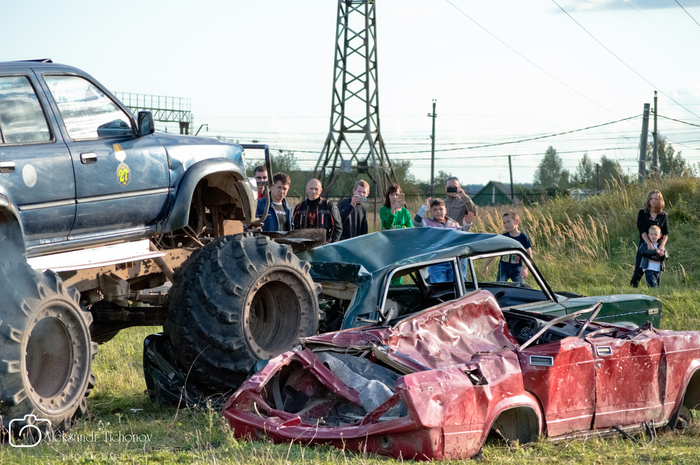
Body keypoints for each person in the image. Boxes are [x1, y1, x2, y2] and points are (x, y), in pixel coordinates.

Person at [417, 198, 469, 282]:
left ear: (445, 210)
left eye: (441, 209)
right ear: (430, 211)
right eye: (435, 210)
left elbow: (462, 234)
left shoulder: (453, 224)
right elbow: (416, 222)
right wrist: (424, 207)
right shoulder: (427, 222)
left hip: (452, 261)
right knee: (440, 285)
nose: (438, 212)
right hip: (436, 261)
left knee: (454, 284)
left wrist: (467, 224)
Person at [630, 190, 669, 288]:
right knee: (639, 269)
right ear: (648, 200)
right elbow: (642, 230)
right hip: (644, 244)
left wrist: (662, 246)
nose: (653, 201)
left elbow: (666, 232)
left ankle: (654, 291)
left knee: (656, 271)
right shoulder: (642, 213)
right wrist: (648, 244)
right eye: (651, 198)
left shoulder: (663, 215)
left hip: (658, 245)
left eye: (656, 199)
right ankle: (632, 289)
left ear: (660, 200)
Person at [481, 211, 532, 283]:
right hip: (504, 268)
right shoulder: (503, 237)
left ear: (516, 221)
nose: (506, 225)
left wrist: (525, 268)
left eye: (508, 221)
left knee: (521, 286)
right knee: (500, 286)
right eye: (504, 223)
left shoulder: (523, 237)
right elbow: (494, 252)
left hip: (517, 268)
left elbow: (529, 255)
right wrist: (486, 265)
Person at [292, 178, 342, 243]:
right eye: (311, 188)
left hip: (323, 246)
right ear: (307, 189)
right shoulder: (299, 208)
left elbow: (337, 228)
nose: (313, 191)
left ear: (320, 190)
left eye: (316, 189)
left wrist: (329, 244)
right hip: (303, 246)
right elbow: (293, 228)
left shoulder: (329, 206)